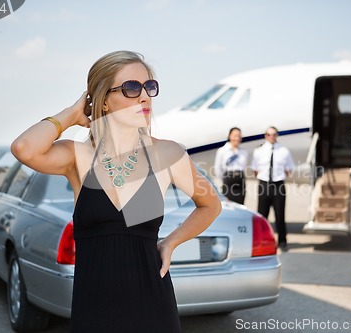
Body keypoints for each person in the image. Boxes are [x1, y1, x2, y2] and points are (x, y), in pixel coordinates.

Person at [11, 50, 222, 333]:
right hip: (93, 311)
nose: (145, 96)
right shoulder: (79, 157)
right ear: (104, 101)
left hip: (153, 310)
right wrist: (71, 115)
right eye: (132, 88)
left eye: (149, 87)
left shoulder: (166, 153)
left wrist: (171, 242)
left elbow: (210, 205)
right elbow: (24, 148)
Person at [251, 126, 295, 250]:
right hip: (264, 184)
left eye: (274, 134)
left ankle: (282, 241)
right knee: (262, 215)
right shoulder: (258, 151)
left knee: (280, 214)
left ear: (277, 135)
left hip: (278, 184)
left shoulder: (284, 150)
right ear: (265, 135)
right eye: (269, 134)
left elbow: (290, 168)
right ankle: (260, 240)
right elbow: (254, 169)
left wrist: (279, 177)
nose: (272, 137)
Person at [214, 127, 248, 204]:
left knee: (240, 206)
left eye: (239, 136)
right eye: (235, 136)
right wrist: (225, 179)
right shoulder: (222, 151)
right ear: (230, 136)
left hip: (240, 182)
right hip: (228, 182)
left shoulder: (243, 152)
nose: (237, 138)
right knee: (228, 205)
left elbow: (244, 167)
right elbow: (217, 169)